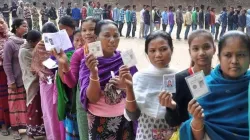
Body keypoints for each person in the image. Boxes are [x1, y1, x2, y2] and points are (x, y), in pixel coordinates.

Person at [180, 31, 250, 140]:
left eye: (241, 55)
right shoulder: (204, 86)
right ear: (219, 57)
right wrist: (197, 121)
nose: (234, 61)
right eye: (228, 55)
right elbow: (198, 134)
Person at [79, 20, 137, 139]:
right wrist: (94, 74)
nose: (112, 40)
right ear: (96, 37)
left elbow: (138, 88)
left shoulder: (126, 58)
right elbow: (93, 98)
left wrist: (126, 87)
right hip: (99, 121)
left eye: (116, 36)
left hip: (125, 118)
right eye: (106, 35)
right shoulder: (88, 62)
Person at [124, 31, 177, 140]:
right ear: (147, 53)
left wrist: (172, 106)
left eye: (163, 49)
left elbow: (186, 113)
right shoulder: (139, 77)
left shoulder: (180, 76)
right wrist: (129, 89)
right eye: (152, 51)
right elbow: (133, 115)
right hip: (145, 135)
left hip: (174, 136)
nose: (158, 55)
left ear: (171, 49)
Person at [163, 30, 215, 131]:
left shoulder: (220, 77)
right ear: (190, 52)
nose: (201, 53)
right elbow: (172, 122)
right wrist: (171, 107)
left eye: (206, 47)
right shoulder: (178, 79)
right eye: (195, 49)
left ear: (214, 49)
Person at [31, 22, 62, 140]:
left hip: (60, 82)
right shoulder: (39, 47)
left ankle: (63, 136)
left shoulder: (61, 44)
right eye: (46, 36)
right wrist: (40, 72)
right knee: (49, 113)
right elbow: (34, 66)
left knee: (61, 111)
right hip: (46, 83)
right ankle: (53, 137)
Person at [3, 18, 28, 140]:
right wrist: (11, 81)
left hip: (25, 80)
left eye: (27, 26)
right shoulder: (10, 43)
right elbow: (6, 64)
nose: (26, 28)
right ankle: (15, 130)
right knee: (14, 107)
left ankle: (26, 127)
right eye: (24, 26)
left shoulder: (25, 41)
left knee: (24, 105)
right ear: (16, 28)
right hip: (14, 81)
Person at [19, 30, 46, 140]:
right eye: (38, 41)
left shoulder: (32, 48)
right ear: (32, 41)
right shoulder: (24, 51)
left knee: (40, 108)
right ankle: (31, 134)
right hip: (31, 82)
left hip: (38, 81)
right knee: (32, 107)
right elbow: (32, 67)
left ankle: (40, 131)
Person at [0, 18, 10, 137]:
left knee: (6, 98)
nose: (0, 26)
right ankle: (3, 124)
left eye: (2, 22)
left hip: (7, 72)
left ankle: (9, 123)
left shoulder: (9, 38)